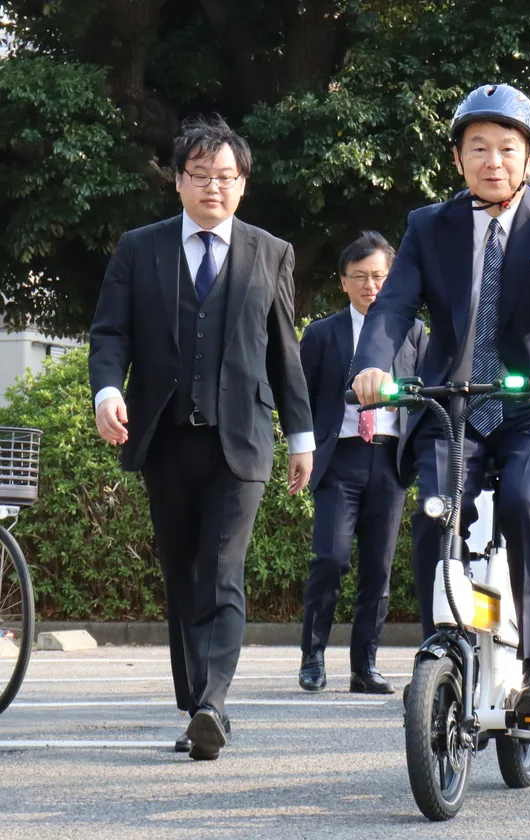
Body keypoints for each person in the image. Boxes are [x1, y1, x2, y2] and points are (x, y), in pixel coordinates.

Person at [351, 84, 530, 718]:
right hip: (452, 403)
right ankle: (441, 639)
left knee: (523, 498)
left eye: (507, 148)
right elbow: (391, 307)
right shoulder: (427, 226)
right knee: (438, 509)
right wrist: (372, 368)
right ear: (459, 159)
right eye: (478, 148)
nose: (492, 161)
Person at [88, 115, 314, 760]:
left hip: (240, 437)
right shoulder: (140, 248)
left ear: (242, 184)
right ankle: (196, 707)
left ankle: (214, 701)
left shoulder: (271, 252)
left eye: (226, 176)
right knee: (183, 573)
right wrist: (108, 391)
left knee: (221, 568)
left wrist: (302, 435)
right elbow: (111, 333)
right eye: (199, 175)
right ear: (178, 181)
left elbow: (283, 352)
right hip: (164, 436)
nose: (213, 186)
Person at [298, 232, 427, 694]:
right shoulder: (321, 334)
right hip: (340, 460)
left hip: (390, 462)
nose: (370, 285)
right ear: (343, 282)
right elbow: (300, 398)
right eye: (360, 277)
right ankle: (313, 657)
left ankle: (364, 666)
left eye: (379, 276)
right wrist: (304, 448)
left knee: (379, 568)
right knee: (330, 560)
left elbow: (425, 396)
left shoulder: (411, 332)